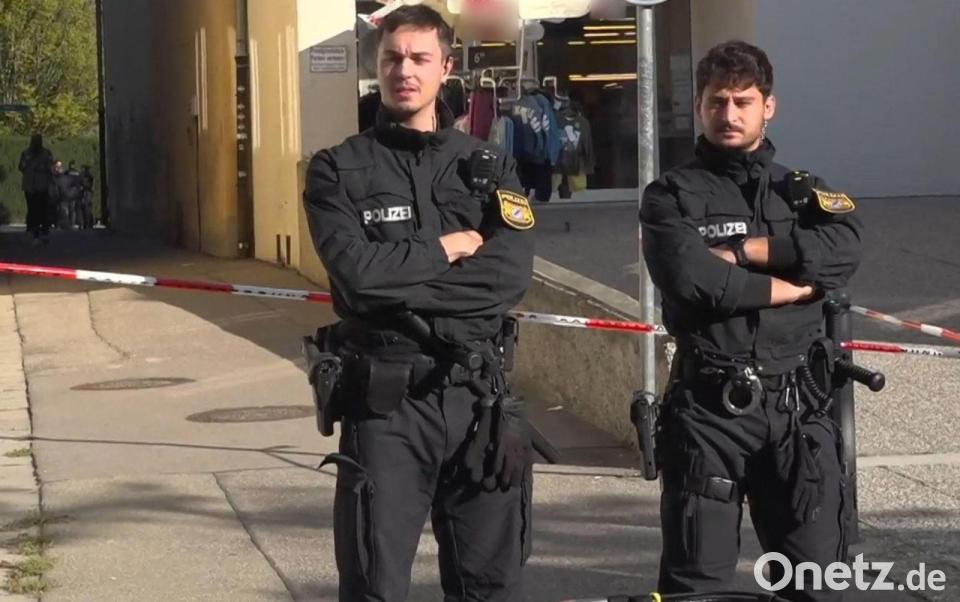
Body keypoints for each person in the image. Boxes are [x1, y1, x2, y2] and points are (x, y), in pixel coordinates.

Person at [302, 5, 536, 602]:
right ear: (376, 65)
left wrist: (396, 279)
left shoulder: (490, 167)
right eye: (392, 58)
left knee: (492, 589)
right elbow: (356, 278)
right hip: (388, 409)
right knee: (374, 587)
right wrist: (448, 248)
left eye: (419, 58)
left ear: (446, 67)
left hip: (479, 400)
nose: (404, 70)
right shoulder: (337, 170)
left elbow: (507, 277)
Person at [640, 40, 862, 602]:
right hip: (710, 413)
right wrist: (792, 286)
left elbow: (844, 250)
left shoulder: (802, 192)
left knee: (816, 583)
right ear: (699, 105)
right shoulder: (670, 195)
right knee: (697, 588)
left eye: (743, 101)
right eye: (717, 101)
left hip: (797, 411)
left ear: (769, 106)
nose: (730, 114)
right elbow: (692, 280)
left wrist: (748, 252)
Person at [17, 133, 54, 244]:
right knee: (32, 209)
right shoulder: (26, 153)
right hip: (30, 186)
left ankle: (43, 230)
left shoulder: (46, 153)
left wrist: (43, 171)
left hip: (42, 186)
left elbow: (49, 168)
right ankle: (34, 229)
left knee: (42, 208)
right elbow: (21, 167)